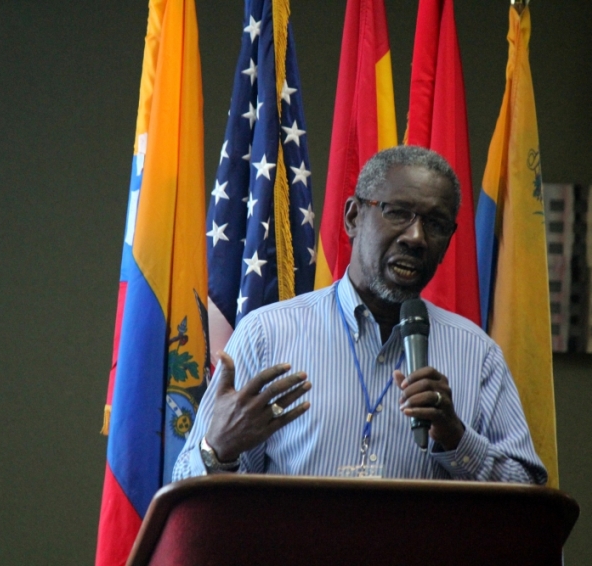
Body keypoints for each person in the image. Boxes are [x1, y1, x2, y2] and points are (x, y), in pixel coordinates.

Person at [173, 145, 547, 484]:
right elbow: (185, 487)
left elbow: (529, 500)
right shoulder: (267, 334)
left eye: (435, 225)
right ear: (353, 217)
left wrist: (456, 437)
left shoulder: (476, 354)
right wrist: (218, 449)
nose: (416, 238)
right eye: (398, 212)